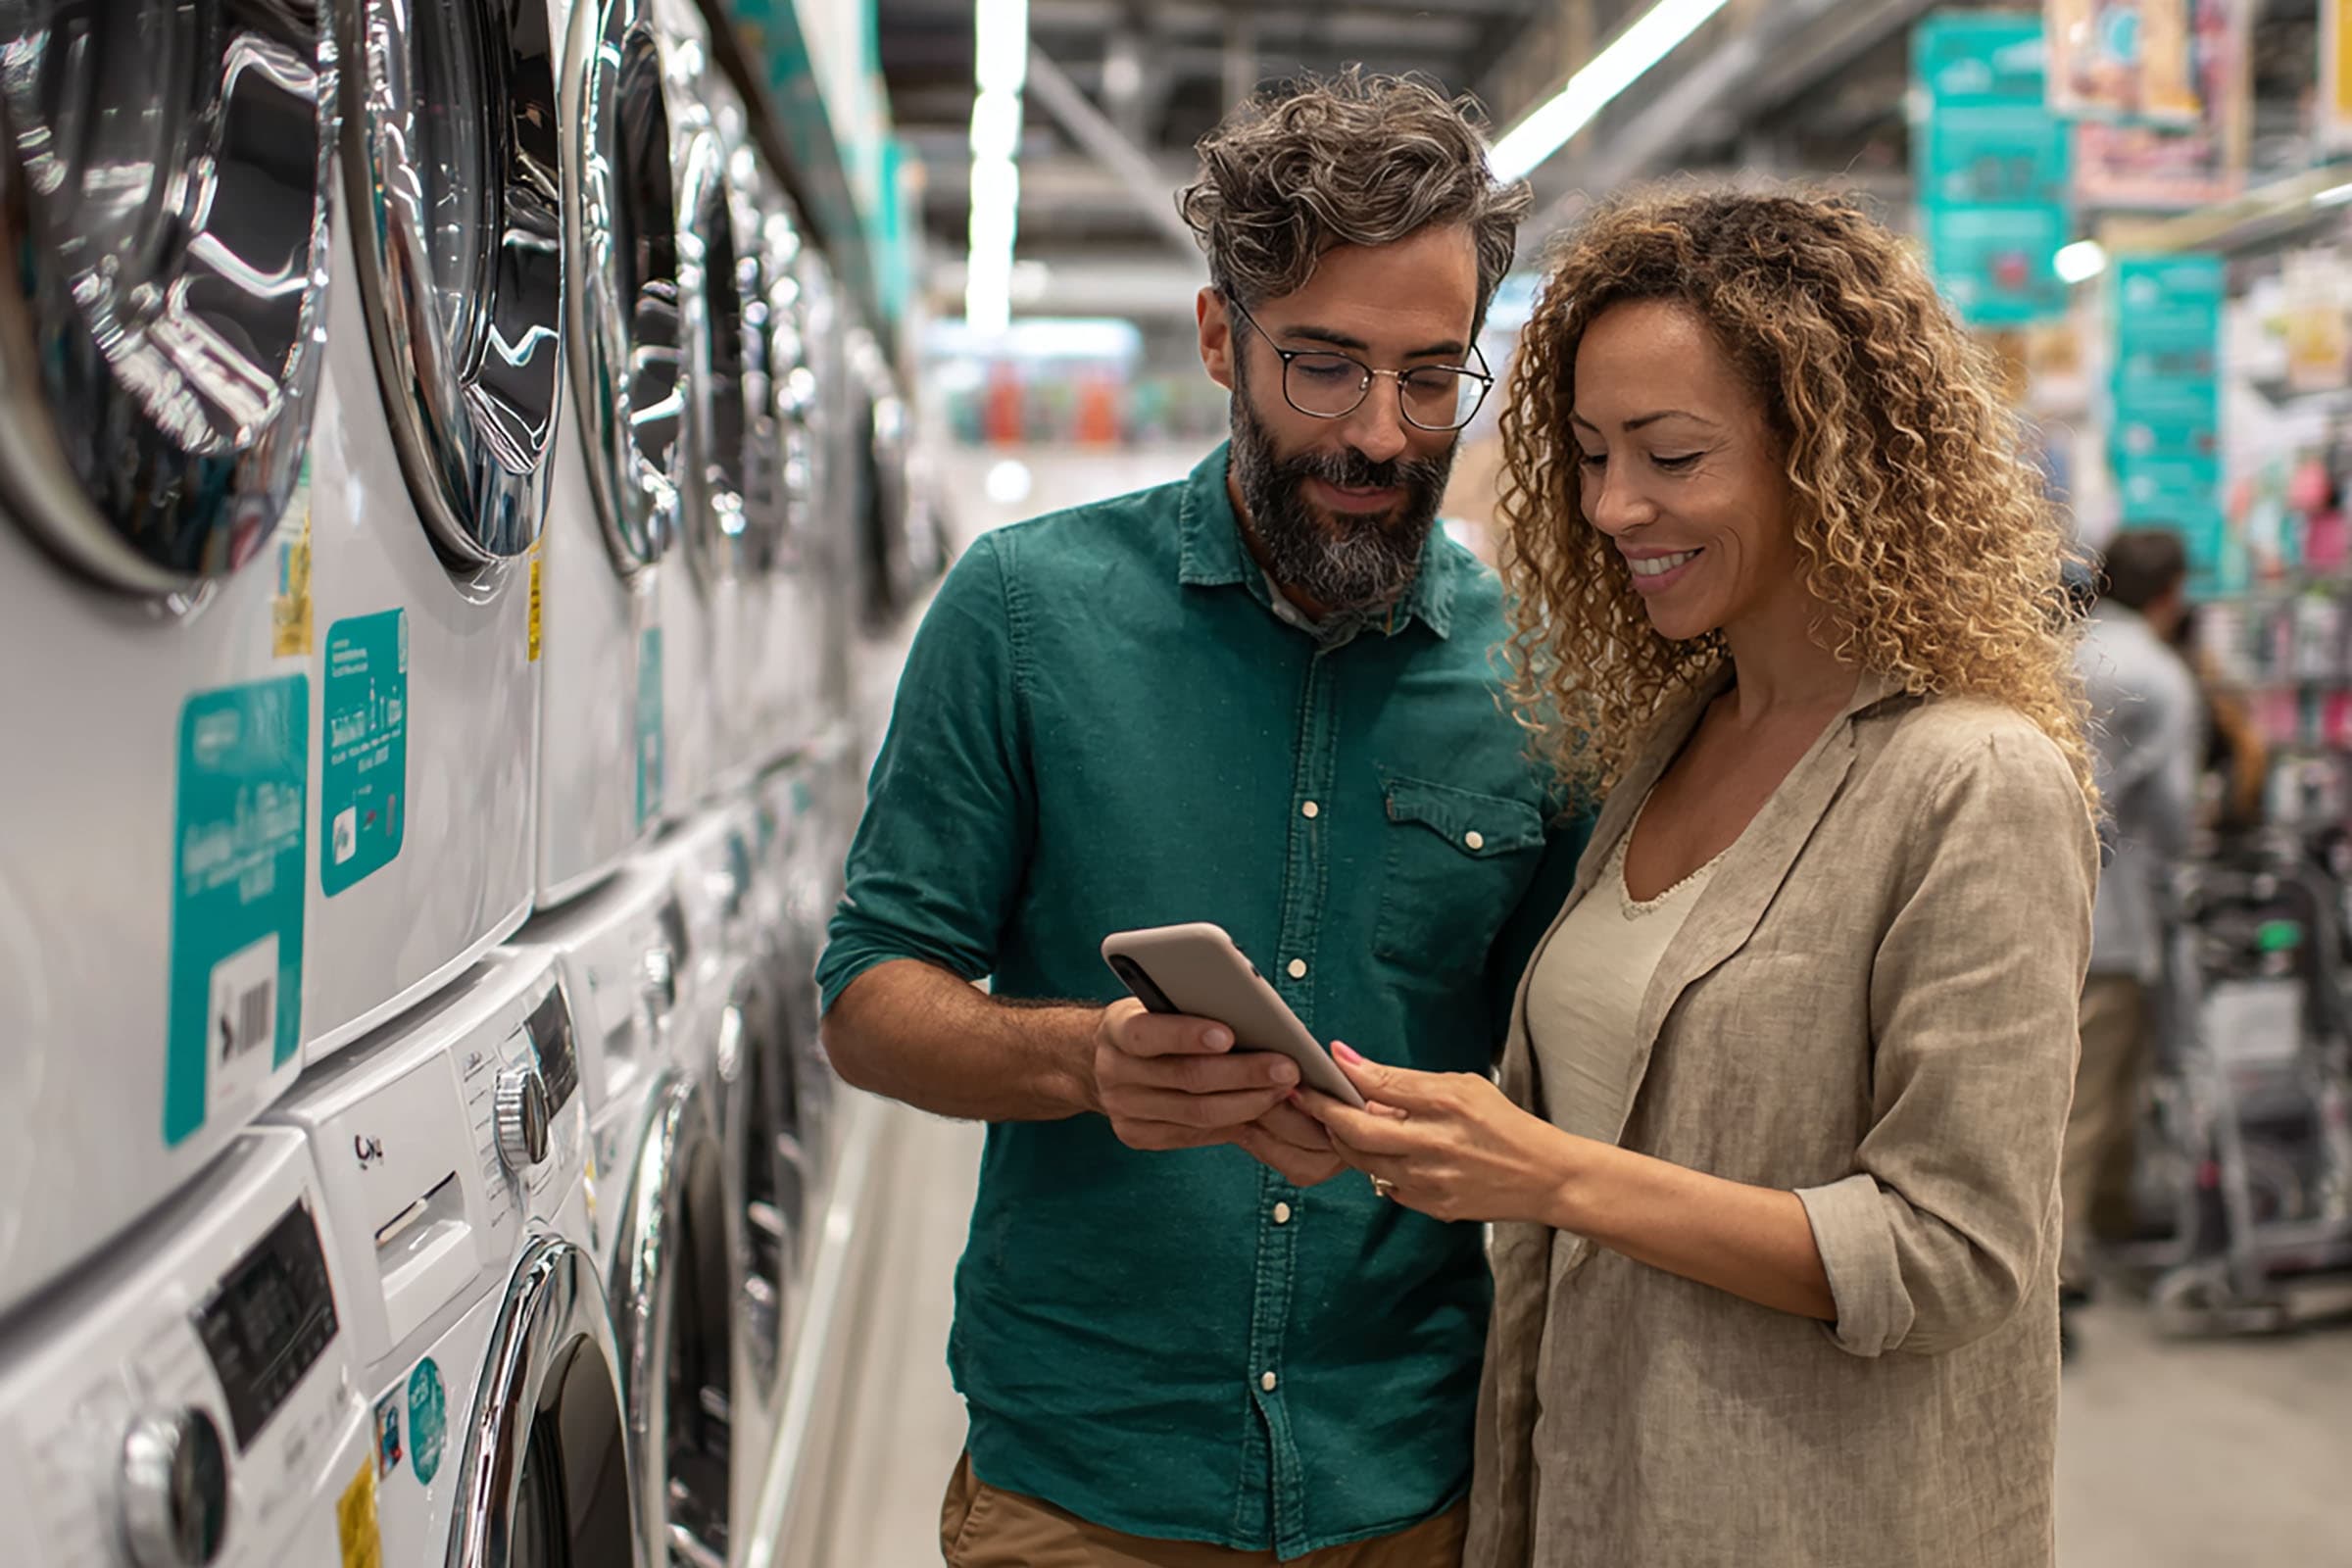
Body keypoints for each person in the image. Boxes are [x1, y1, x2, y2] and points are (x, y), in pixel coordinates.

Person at [816, 72, 1584, 1567]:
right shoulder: (1026, 613)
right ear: (1221, 337)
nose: (1381, 433)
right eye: (1325, 367)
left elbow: (1568, 1061)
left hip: (1405, 1482)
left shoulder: (1536, 679)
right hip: (1084, 1485)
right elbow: (870, 999)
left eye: (1432, 376)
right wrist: (1087, 1063)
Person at [1298, 189, 2100, 1566]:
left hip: (1819, 1519)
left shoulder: (1972, 782)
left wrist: (1545, 1175)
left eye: (1672, 455)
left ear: (1833, 459)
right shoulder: (1670, 739)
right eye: (1594, 454)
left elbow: (1953, 1254)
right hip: (1593, 1494)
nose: (1615, 507)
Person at [2069, 529, 2201, 1332]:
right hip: (2112, 913)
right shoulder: (2162, 673)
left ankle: (2111, 1217)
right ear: (2172, 592)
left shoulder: (2053, 648)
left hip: (2044, 901)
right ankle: (2056, 1269)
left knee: (2092, 1080)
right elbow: (2178, 815)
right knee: (2090, 1094)